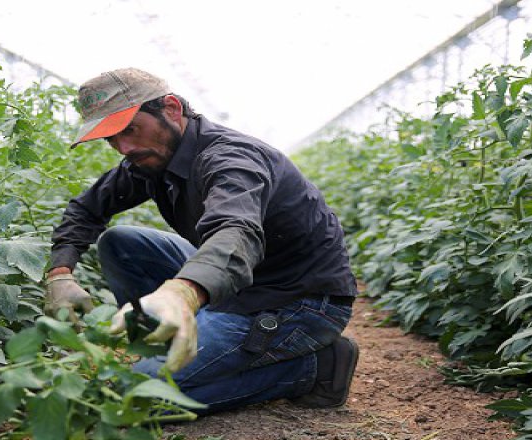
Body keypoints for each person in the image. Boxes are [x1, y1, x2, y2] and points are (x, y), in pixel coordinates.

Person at [44, 67, 359, 414]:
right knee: (121, 243)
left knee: (130, 398)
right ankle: (164, 342)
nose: (124, 147)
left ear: (171, 109)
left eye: (129, 129)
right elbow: (87, 208)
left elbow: (235, 231)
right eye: (111, 139)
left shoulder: (230, 159)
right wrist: (60, 272)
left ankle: (314, 368)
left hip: (295, 299)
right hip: (237, 280)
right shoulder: (151, 156)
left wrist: (184, 292)